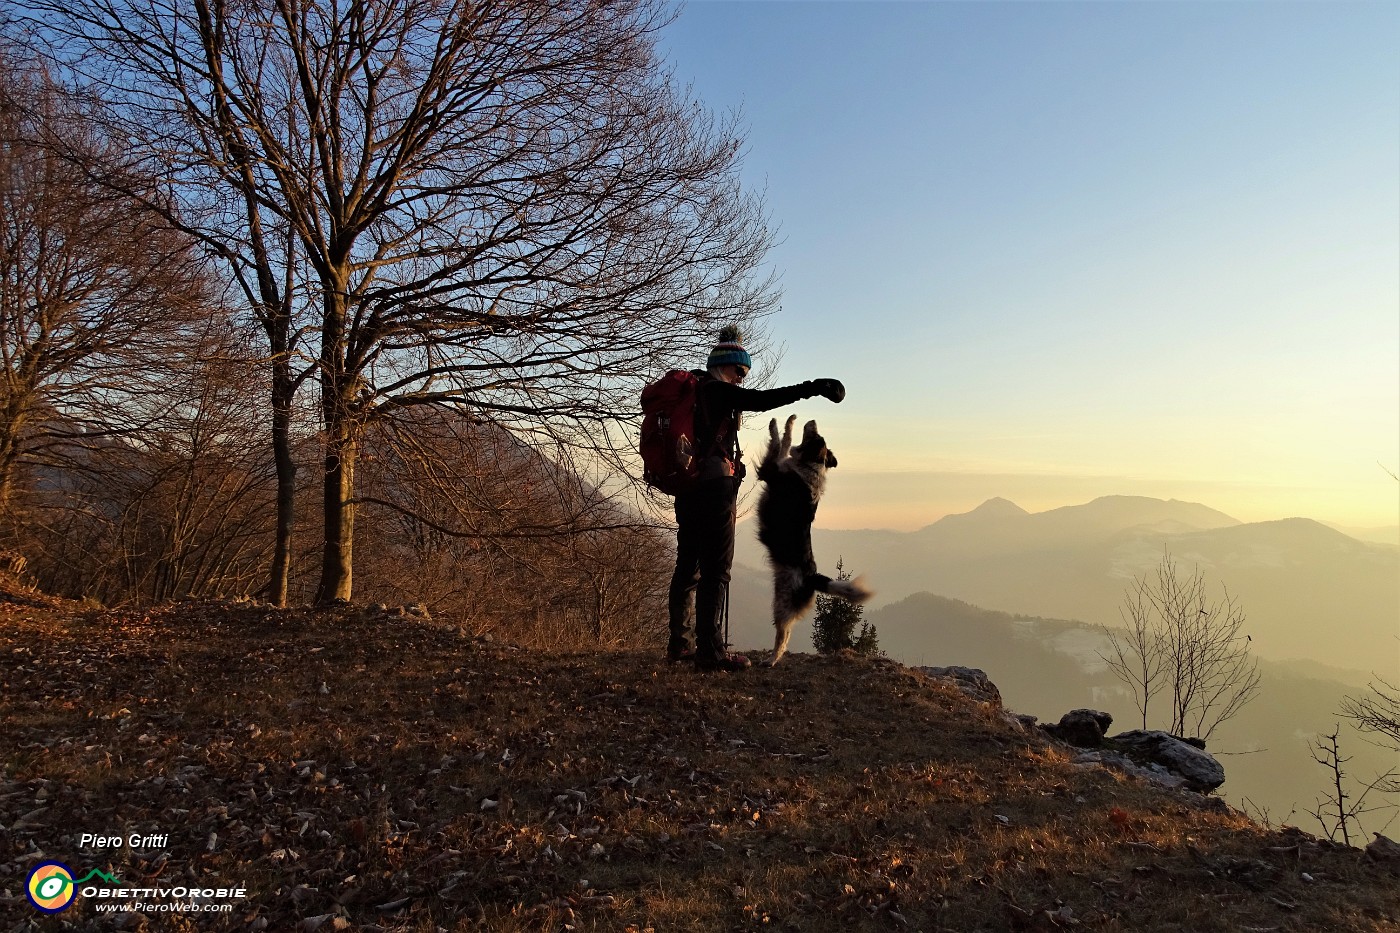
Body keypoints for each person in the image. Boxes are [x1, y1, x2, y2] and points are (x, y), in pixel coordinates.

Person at [668, 328, 845, 672]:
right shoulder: (717, 391)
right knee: (716, 571)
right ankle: (711, 652)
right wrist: (812, 388)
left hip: (686, 488)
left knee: (688, 566)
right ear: (727, 367)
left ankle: (680, 645)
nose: (741, 380)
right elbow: (763, 400)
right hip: (714, 489)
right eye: (740, 372)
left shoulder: (695, 390)